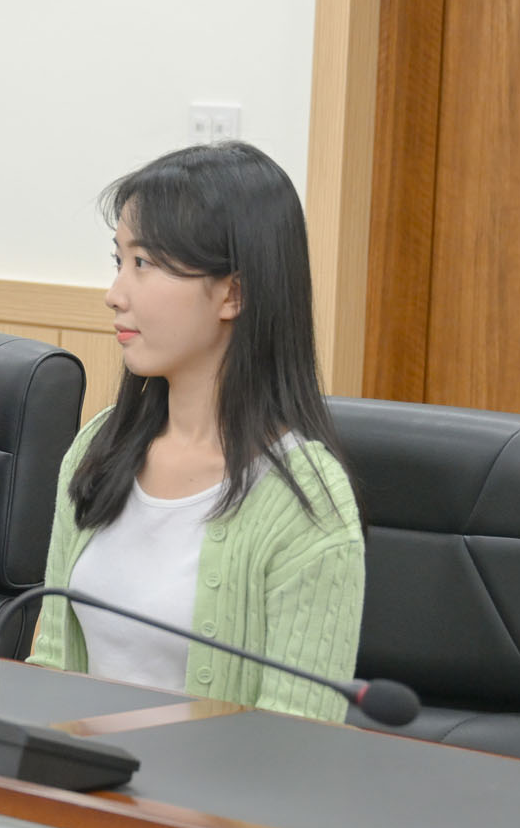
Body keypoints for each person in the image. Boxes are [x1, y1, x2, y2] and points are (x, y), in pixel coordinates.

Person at [27, 142, 363, 719]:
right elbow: (51, 666)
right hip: (75, 772)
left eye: (143, 264)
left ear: (234, 292)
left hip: (212, 783)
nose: (115, 294)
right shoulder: (99, 447)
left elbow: (298, 740)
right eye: (118, 261)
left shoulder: (309, 502)